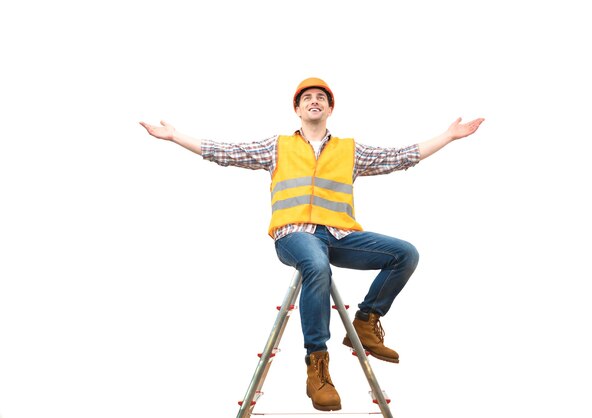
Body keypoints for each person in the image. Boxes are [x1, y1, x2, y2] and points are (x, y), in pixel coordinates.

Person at [139, 77, 484, 412]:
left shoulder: (351, 150)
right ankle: (317, 365)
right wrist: (175, 137)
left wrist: (449, 137)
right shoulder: (277, 147)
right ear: (297, 108)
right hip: (295, 235)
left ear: (330, 108)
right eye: (307, 98)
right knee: (316, 264)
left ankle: (366, 321)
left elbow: (400, 156)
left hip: (340, 236)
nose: (314, 101)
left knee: (405, 253)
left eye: (321, 97)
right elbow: (226, 152)